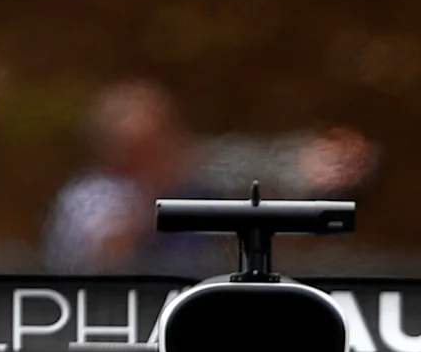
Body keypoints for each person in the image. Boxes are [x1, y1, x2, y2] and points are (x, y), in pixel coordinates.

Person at [40, 81, 379, 273]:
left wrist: (316, 169)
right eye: (145, 145)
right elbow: (108, 256)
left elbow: (264, 189)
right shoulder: (90, 194)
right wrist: (162, 186)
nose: (162, 148)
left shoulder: (200, 179)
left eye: (163, 136)